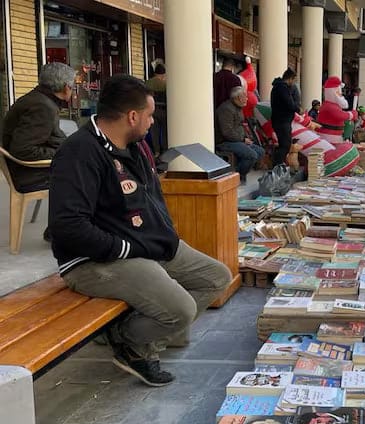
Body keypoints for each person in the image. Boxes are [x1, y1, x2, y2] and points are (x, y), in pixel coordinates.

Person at [48, 74, 232, 387]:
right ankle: (127, 341)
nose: (151, 122)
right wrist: (127, 248)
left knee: (217, 277)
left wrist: (162, 240)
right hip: (96, 260)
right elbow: (67, 227)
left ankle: (144, 337)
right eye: (148, 116)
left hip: (145, 245)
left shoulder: (135, 145)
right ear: (132, 116)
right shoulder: (80, 152)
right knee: (181, 311)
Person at [1, 62, 74, 192]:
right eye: (72, 86)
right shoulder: (43, 107)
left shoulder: (39, 99)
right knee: (92, 174)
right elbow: (23, 150)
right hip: (29, 175)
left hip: (26, 171)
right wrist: (62, 153)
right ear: (66, 88)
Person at [215, 86, 266, 184]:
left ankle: (240, 173)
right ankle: (237, 176)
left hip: (238, 140)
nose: (247, 99)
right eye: (245, 96)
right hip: (225, 142)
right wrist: (243, 139)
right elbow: (227, 132)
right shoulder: (226, 109)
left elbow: (239, 127)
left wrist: (246, 138)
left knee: (260, 151)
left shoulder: (238, 107)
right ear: (237, 98)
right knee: (252, 155)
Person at [270, 68, 300, 166]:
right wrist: (298, 109)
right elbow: (289, 103)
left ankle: (278, 165)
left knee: (285, 144)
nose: (294, 83)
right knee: (285, 145)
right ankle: (276, 166)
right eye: (294, 80)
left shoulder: (278, 87)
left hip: (281, 120)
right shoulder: (282, 88)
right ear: (290, 79)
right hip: (282, 121)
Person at [145, 63, 168, 156]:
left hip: (153, 111)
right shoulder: (168, 83)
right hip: (165, 110)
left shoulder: (149, 83)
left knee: (154, 132)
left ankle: (156, 151)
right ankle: (165, 150)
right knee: (165, 132)